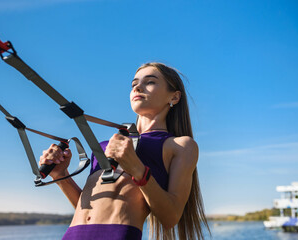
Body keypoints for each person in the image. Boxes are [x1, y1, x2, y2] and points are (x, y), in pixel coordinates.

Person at [39, 62, 210, 240]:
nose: (138, 87)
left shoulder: (180, 145)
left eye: (150, 82)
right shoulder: (107, 145)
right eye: (134, 84)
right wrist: (60, 175)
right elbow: (92, 207)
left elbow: (170, 217)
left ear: (174, 97)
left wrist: (137, 169)